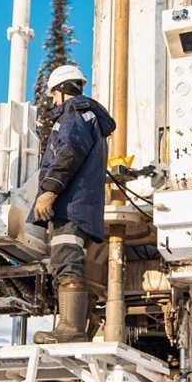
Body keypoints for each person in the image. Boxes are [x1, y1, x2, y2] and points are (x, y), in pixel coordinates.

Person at [28, 64, 116, 344]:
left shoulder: (74, 115)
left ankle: (71, 328)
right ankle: (74, 326)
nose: (53, 102)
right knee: (70, 261)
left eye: (53, 95)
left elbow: (68, 154)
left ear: (63, 90)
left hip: (71, 204)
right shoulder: (89, 118)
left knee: (66, 261)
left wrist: (49, 191)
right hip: (81, 205)